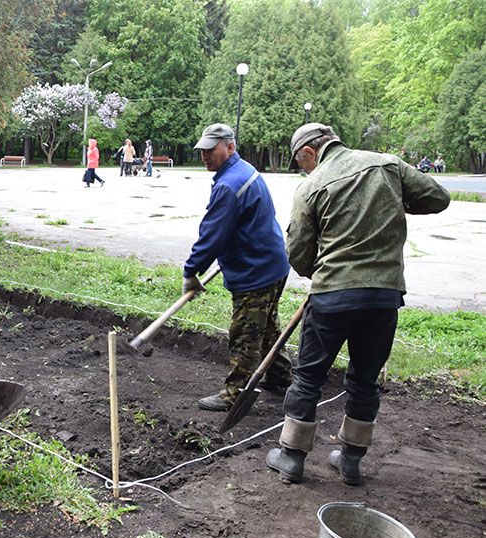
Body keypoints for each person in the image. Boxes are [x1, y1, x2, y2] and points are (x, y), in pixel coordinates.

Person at [266, 123, 450, 485]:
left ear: (308, 152)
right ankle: (350, 460)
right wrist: (395, 201)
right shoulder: (388, 165)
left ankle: (291, 457)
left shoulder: (312, 186)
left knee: (308, 377)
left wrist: (319, 274)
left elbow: (299, 252)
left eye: (299, 162)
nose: (303, 169)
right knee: (364, 382)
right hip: (383, 297)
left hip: (333, 296)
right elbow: (438, 198)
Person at [183, 123, 292, 412]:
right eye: (202, 151)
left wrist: (191, 271)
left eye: (211, 150)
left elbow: (212, 236)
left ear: (229, 147)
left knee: (245, 333)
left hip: (255, 271)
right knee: (266, 327)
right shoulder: (245, 171)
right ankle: (281, 376)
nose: (205, 156)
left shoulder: (229, 185)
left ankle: (235, 392)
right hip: (273, 263)